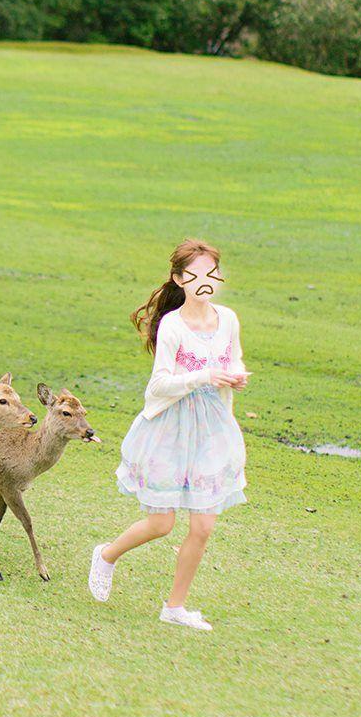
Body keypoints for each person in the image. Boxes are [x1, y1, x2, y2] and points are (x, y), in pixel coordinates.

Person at [89, 240, 248, 631]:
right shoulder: (172, 326)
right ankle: (106, 555)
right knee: (162, 524)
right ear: (180, 279)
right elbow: (158, 386)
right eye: (194, 274)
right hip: (170, 428)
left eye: (211, 273)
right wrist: (205, 376)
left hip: (213, 429)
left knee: (204, 526)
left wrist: (235, 374)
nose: (204, 281)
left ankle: (175, 607)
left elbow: (233, 357)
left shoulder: (227, 318)